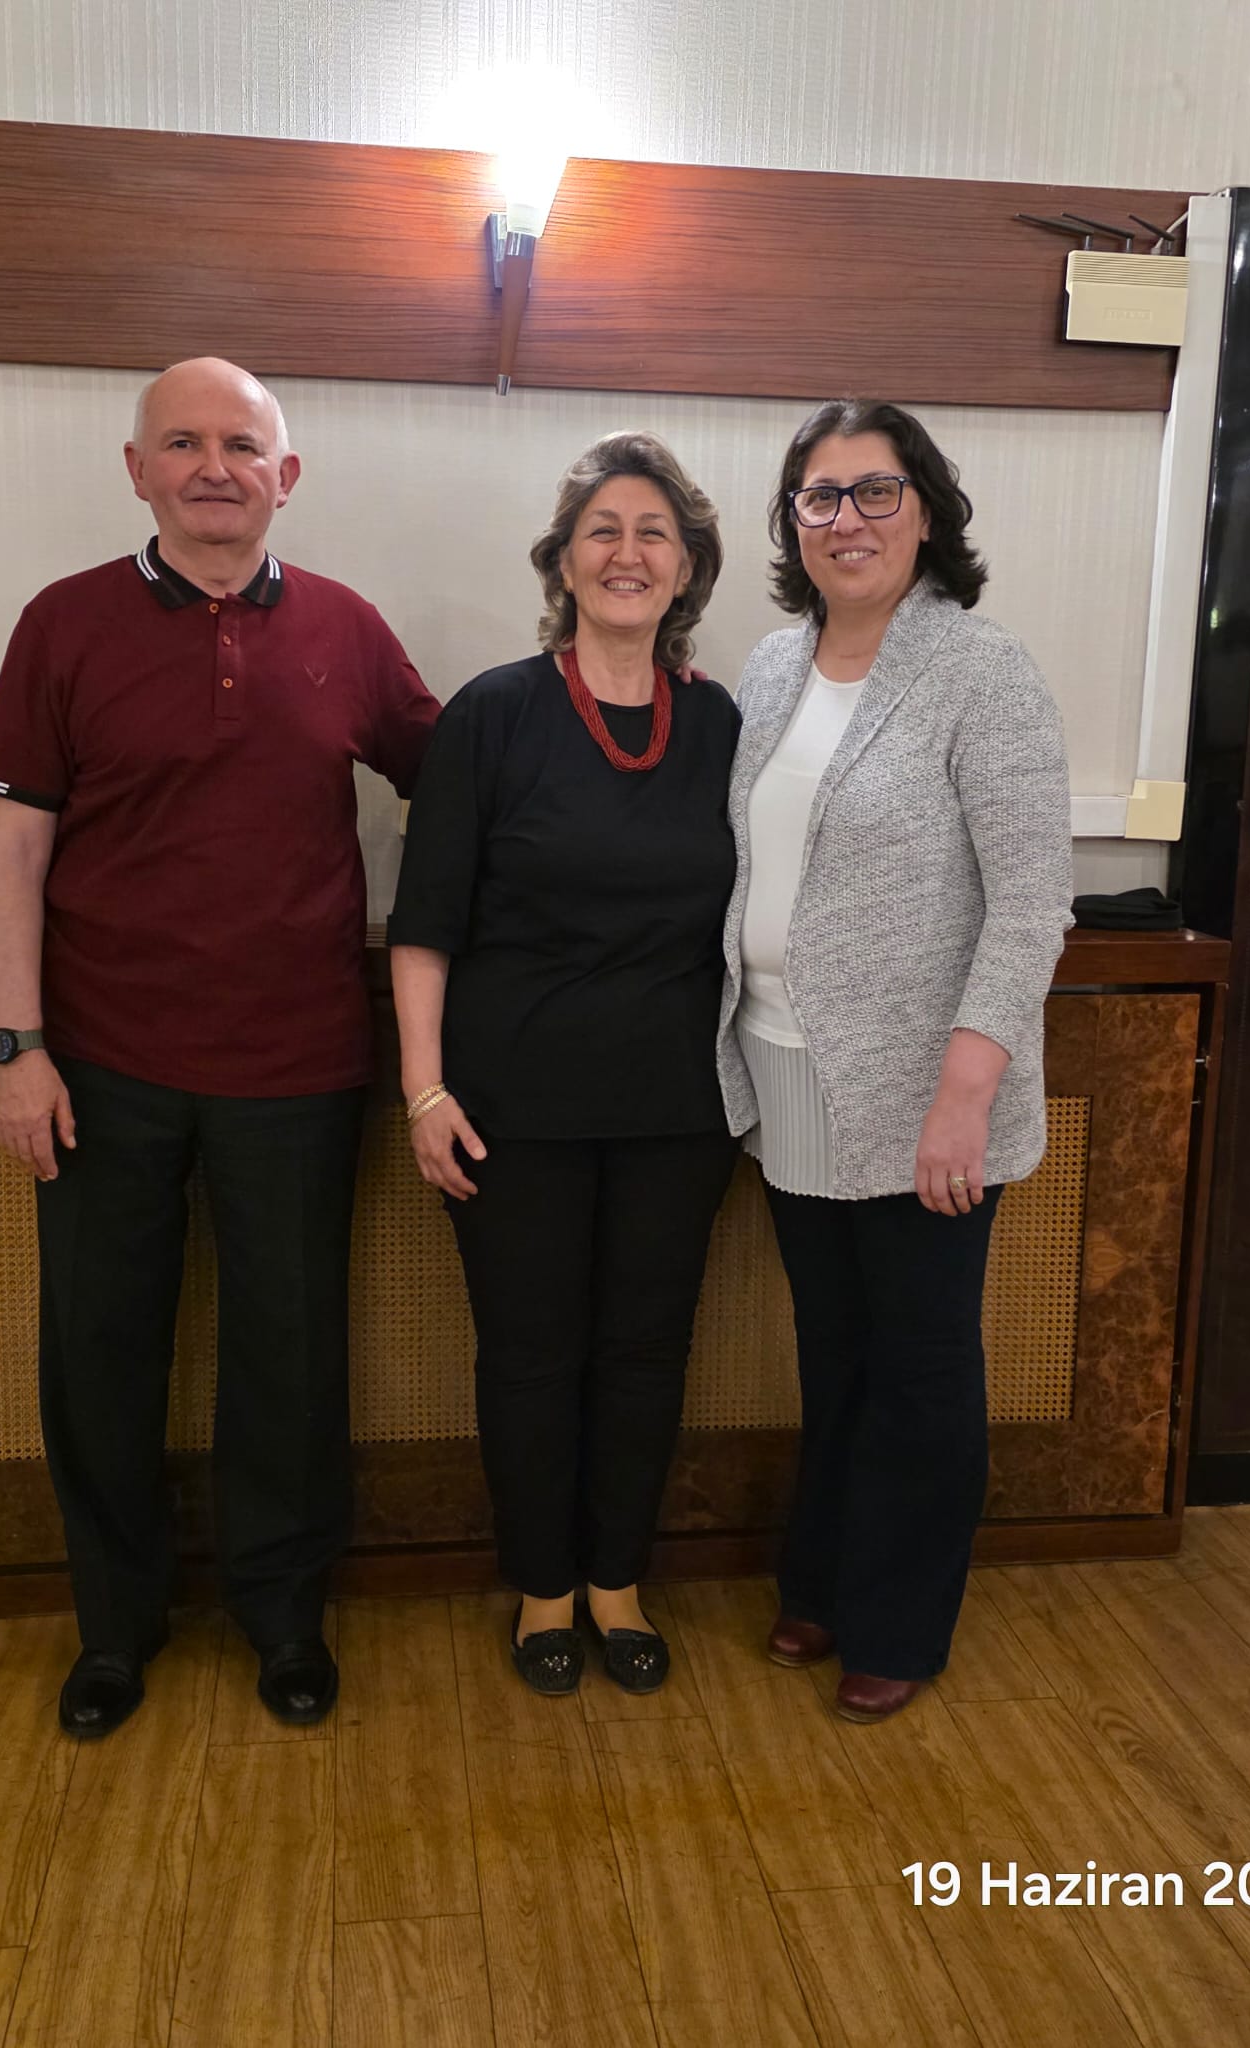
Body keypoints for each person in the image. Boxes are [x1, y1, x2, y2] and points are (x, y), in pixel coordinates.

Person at [0, 357, 440, 1737]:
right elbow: (14, 849)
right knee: (98, 1352)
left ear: (285, 476)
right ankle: (115, 1628)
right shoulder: (62, 623)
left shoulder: (348, 629)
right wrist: (15, 1046)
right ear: (138, 471)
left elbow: (462, 782)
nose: (213, 467)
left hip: (297, 1067)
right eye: (182, 443)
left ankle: (283, 1616)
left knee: (289, 1359)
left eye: (241, 444)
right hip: (97, 1066)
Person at [718, 399, 1072, 1723]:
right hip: (784, 1064)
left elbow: (1031, 902)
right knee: (834, 1352)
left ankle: (899, 1621)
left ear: (926, 511)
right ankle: (823, 1575)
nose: (846, 518)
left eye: (875, 491)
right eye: (819, 495)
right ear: (791, 522)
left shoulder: (981, 669)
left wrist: (964, 1095)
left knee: (919, 1365)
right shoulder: (769, 667)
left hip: (929, 1092)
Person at [388, 432, 737, 1696]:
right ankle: (543, 1585)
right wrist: (423, 1090)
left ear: (686, 567)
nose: (626, 552)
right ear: (563, 560)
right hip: (510, 1109)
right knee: (529, 1354)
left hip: (678, 1110)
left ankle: (616, 1580)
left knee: (643, 1353)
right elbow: (423, 922)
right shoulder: (491, 713)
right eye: (602, 529)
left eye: (653, 532)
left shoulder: (723, 724)